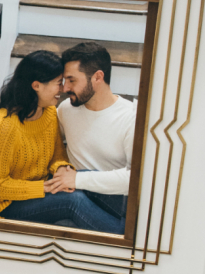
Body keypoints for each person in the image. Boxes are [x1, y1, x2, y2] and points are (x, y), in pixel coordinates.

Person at [0, 51, 126, 233]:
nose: (63, 89)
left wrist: (62, 169)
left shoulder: (49, 113)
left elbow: (57, 156)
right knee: (73, 200)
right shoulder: (4, 125)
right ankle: (124, 240)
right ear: (36, 86)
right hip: (8, 205)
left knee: (83, 178)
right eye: (58, 83)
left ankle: (134, 223)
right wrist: (42, 187)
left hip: (41, 188)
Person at [45, 41, 136, 227]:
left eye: (72, 80)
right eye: (64, 81)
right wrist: (60, 168)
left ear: (97, 77)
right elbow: (52, 148)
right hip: (77, 200)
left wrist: (78, 178)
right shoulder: (66, 110)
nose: (65, 88)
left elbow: (134, 180)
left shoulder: (130, 117)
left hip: (113, 204)